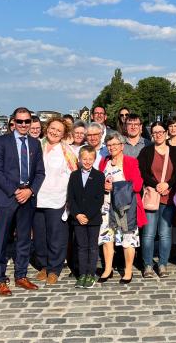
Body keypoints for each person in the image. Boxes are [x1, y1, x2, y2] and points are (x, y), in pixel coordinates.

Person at [0, 107, 46, 296]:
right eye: (20, 121)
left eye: (27, 122)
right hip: (7, 197)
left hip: (27, 199)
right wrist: (15, 191)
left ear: (31, 122)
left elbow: (40, 172)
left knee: (24, 240)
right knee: (2, 239)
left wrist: (30, 191)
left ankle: (21, 275)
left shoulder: (35, 144)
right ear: (13, 122)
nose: (23, 125)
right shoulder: (1, 141)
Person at [33, 118, 77, 285]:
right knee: (39, 236)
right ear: (47, 128)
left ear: (63, 134)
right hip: (37, 198)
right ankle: (43, 265)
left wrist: (70, 198)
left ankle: (54, 268)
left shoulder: (67, 151)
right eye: (52, 128)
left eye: (59, 130)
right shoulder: (37, 145)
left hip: (58, 199)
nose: (54, 132)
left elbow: (73, 175)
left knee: (56, 236)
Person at [98, 132, 146, 284]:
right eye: (109, 145)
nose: (111, 147)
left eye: (115, 144)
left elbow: (137, 185)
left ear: (122, 146)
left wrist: (115, 187)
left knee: (127, 239)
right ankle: (107, 269)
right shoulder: (103, 162)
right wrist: (103, 186)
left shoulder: (130, 162)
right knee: (107, 238)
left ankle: (128, 270)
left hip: (125, 208)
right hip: (106, 206)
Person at [137, 121, 176, 278]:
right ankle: (148, 264)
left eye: (161, 131)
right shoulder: (146, 151)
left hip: (168, 198)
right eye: (155, 132)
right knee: (149, 233)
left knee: (165, 233)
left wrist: (167, 184)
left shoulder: (175, 153)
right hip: (152, 196)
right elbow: (142, 172)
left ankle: (163, 264)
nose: (158, 134)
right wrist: (157, 185)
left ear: (166, 133)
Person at [67, 146, 105, 289]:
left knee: (92, 247)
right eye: (85, 159)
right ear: (80, 160)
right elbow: (71, 197)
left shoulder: (99, 175)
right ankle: (82, 274)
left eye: (90, 159)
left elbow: (99, 199)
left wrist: (87, 215)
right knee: (81, 247)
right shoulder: (74, 175)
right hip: (78, 218)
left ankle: (90, 273)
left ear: (94, 159)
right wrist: (77, 214)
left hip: (93, 218)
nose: (87, 161)